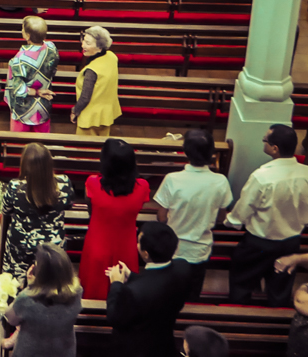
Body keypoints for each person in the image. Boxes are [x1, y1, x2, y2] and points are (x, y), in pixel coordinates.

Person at [226, 123, 308, 306]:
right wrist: (299, 221)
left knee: (241, 285)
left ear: (275, 149)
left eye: (264, 140)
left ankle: (237, 321)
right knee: (280, 292)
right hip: (290, 244)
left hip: (257, 244)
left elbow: (241, 212)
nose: (263, 143)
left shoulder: (262, 177)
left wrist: (230, 221)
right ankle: (274, 327)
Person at [153, 128, 233, 301]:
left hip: (174, 248)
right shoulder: (220, 182)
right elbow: (221, 217)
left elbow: (162, 216)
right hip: (200, 250)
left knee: (169, 294)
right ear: (211, 152)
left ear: (185, 151)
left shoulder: (172, 179)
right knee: (192, 294)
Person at [105, 221, 194, 357]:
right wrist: (132, 276)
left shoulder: (132, 292)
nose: (137, 244)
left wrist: (116, 284)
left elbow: (115, 317)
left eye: (139, 242)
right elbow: (155, 284)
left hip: (135, 348)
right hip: (164, 342)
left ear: (146, 254)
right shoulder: (183, 268)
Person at [80, 138, 151, 299]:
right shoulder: (143, 187)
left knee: (93, 289)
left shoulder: (92, 183)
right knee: (125, 292)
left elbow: (91, 210)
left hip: (97, 244)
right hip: (126, 246)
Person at [1, 143, 73, 280]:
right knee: (50, 282)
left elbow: (5, 209)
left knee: (18, 282)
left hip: (21, 248)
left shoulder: (15, 187)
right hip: (53, 250)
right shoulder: (64, 183)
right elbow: (68, 204)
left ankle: (19, 292)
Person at [0, 244, 82, 357]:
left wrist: (31, 286)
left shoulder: (27, 299)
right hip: (63, 352)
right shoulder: (76, 292)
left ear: (40, 274)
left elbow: (11, 318)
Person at [5, 16, 59, 132]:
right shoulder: (52, 48)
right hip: (44, 106)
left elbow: (18, 89)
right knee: (41, 144)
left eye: (23, 29)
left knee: (18, 144)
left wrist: (37, 92)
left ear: (27, 36)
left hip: (24, 110)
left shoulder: (19, 59)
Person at [69, 26, 120, 137]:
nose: (83, 46)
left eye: (88, 43)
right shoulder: (112, 57)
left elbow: (85, 97)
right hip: (106, 115)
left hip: (90, 119)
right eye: (83, 41)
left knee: (85, 151)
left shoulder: (92, 71)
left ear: (100, 48)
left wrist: (75, 111)